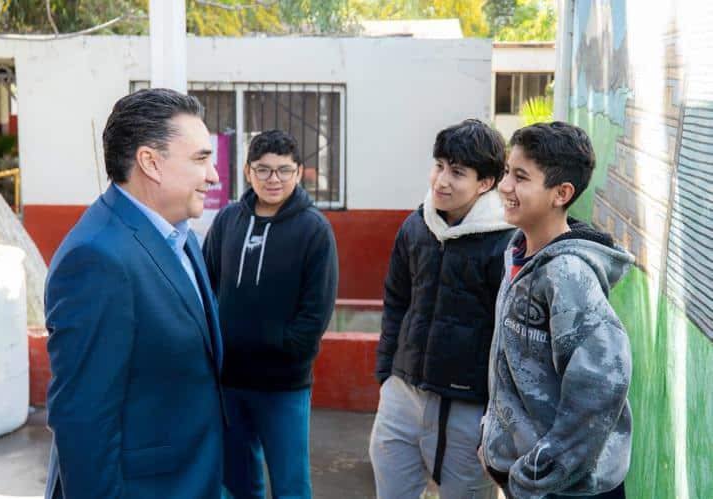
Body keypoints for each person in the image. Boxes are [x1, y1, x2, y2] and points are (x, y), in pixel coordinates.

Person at [43, 88, 225, 499]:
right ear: (150, 162)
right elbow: (84, 422)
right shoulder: (97, 258)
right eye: (200, 159)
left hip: (193, 476)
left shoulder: (179, 232)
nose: (214, 175)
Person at [480, 122, 633, 499]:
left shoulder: (568, 272)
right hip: (536, 482)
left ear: (561, 193)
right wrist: (492, 435)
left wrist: (535, 473)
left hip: (565, 489)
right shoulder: (518, 254)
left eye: (521, 177)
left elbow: (603, 383)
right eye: (506, 172)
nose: (505, 186)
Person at [369, 119, 515, 499]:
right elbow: (396, 301)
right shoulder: (416, 225)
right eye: (439, 166)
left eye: (457, 172)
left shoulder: (507, 242)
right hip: (403, 392)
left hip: (469, 407)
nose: (441, 181)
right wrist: (387, 374)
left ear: (485, 183)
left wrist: (494, 412)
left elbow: (510, 337)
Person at [203, 129, 338, 498]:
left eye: (283, 170)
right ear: (248, 172)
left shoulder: (314, 229)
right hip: (230, 381)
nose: (273, 179)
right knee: (238, 483)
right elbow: (206, 285)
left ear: (298, 172)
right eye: (263, 169)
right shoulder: (228, 220)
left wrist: (285, 348)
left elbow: (316, 312)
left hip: (283, 385)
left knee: (291, 485)